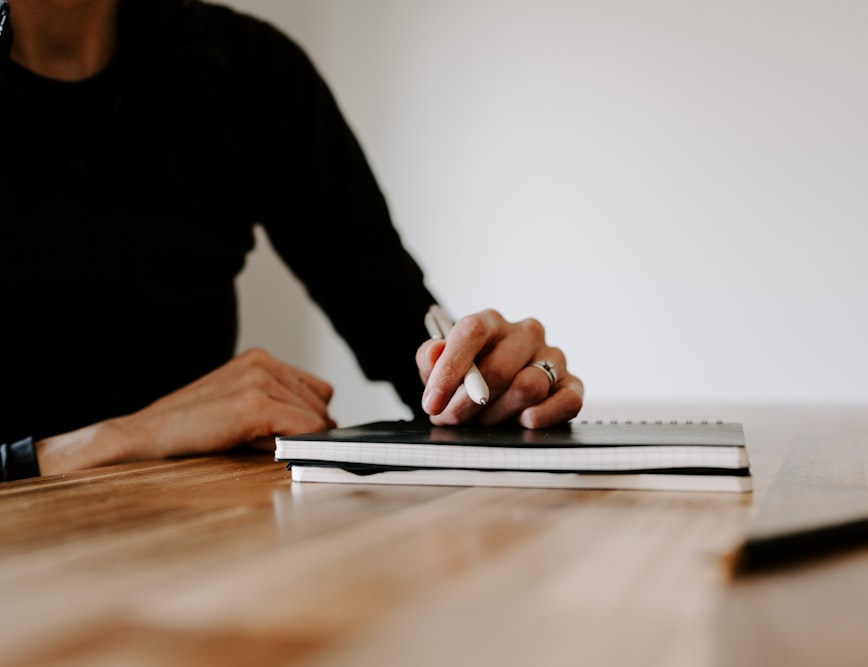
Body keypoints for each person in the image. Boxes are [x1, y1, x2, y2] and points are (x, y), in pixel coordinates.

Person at [0, 0, 584, 481]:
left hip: (198, 542)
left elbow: (401, 330)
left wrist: (490, 383)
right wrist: (121, 439)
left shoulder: (246, 70)